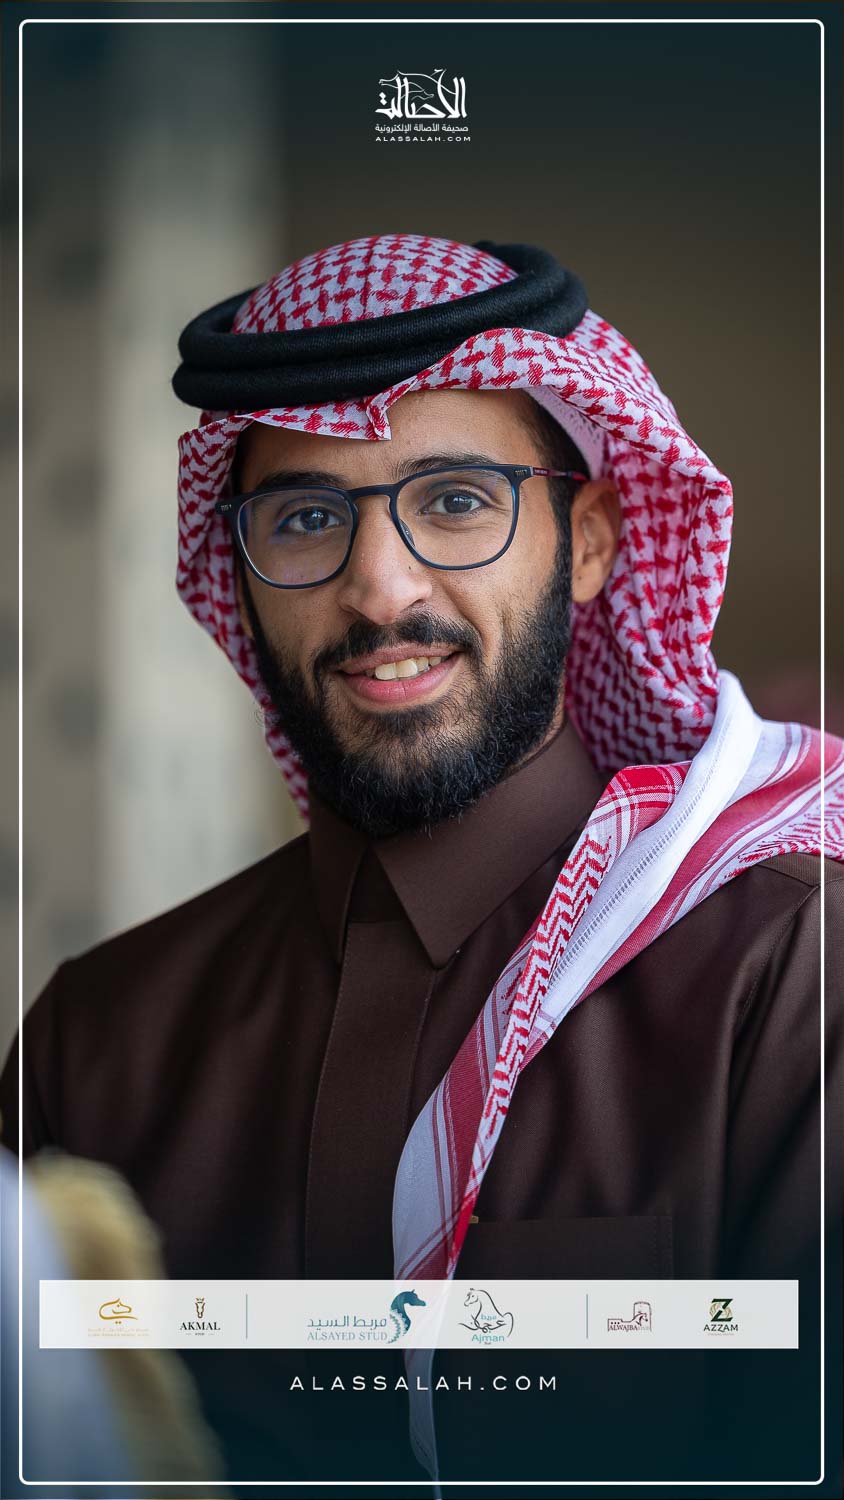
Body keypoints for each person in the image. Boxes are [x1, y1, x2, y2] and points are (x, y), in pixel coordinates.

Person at [2, 234, 842, 1491]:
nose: (380, 590)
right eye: (305, 519)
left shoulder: (787, 975)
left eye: (455, 501)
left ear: (592, 541)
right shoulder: (99, 1037)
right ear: (240, 577)